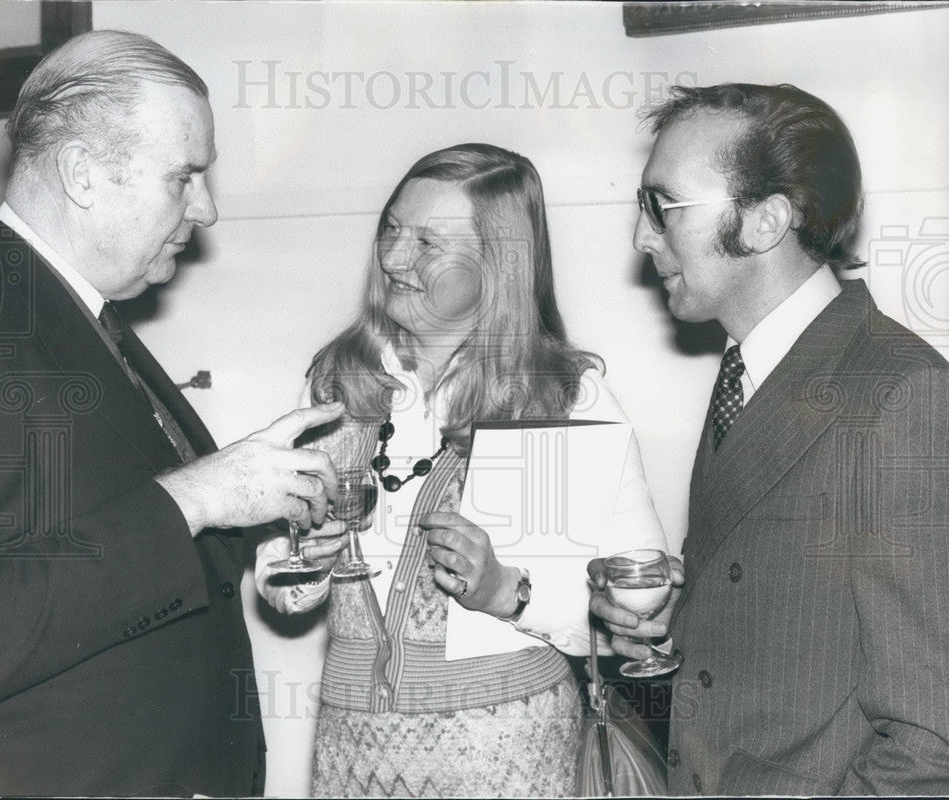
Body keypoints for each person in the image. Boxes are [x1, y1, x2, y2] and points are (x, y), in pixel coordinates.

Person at [0, 30, 347, 797]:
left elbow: (88, 526)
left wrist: (256, 531)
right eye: (184, 177)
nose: (207, 208)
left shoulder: (68, 306)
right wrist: (196, 498)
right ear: (82, 174)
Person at [255, 143, 669, 797]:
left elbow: (636, 606)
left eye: (427, 241)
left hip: (506, 764)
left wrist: (507, 590)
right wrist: (302, 562)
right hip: (351, 760)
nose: (393, 257)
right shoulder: (339, 383)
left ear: (499, 264)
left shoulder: (557, 398)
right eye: (391, 229)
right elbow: (275, 574)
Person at [589, 83, 949, 795]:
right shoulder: (747, 369)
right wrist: (673, 623)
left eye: (665, 207)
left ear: (764, 222)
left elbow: (931, 738)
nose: (642, 236)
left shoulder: (902, 393)